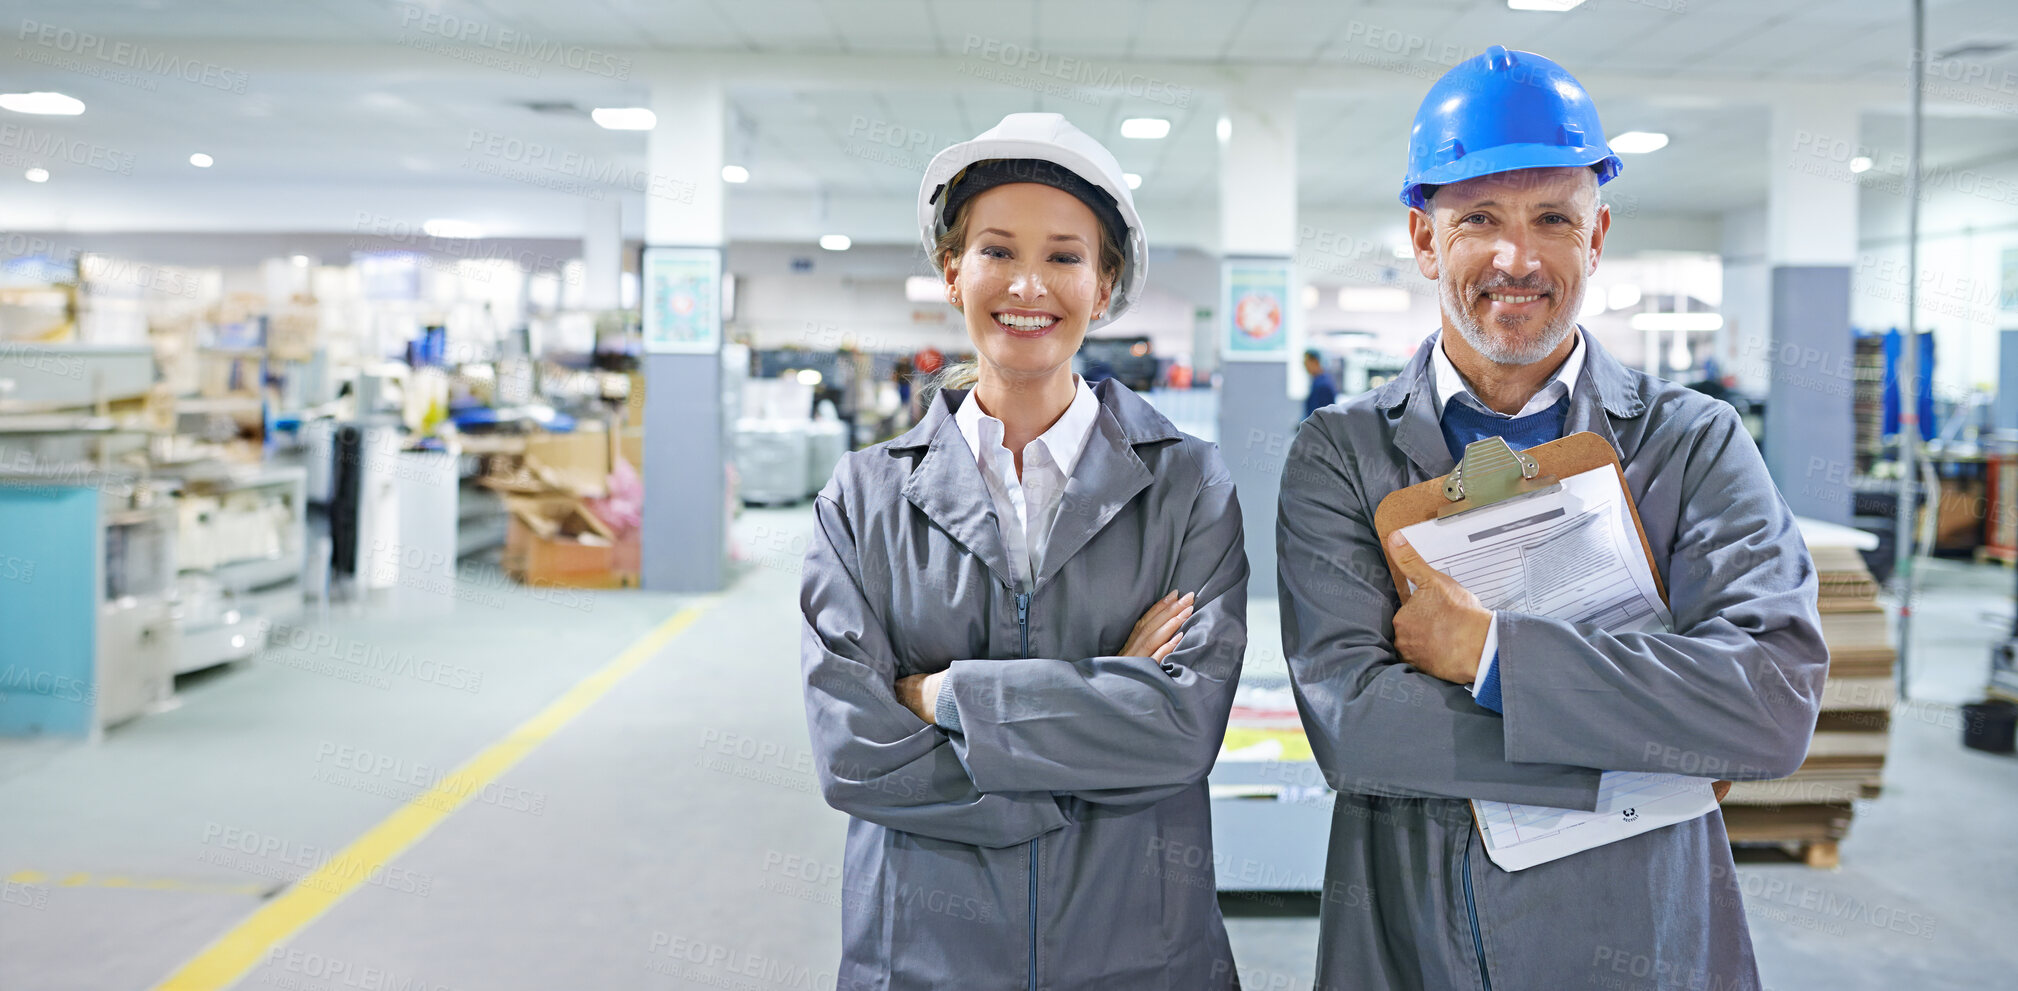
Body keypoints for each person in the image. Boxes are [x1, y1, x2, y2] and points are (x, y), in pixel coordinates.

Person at [1275, 47, 1827, 990]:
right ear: (1423, 238)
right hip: (1417, 932)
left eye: (1552, 219)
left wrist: (1494, 657)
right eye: (1478, 218)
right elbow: (1359, 729)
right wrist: (1663, 752)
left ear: (1597, 234)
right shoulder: (1342, 453)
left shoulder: (1693, 443)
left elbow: (1771, 702)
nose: (1516, 257)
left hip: (1646, 927)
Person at [800, 112, 1249, 990]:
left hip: (1138, 951)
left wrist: (942, 694)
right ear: (952, 270)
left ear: (1106, 280)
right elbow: (855, 752)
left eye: (1067, 256)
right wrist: (1100, 710)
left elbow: (1179, 731)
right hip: (925, 954)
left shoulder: (1191, 486)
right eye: (998, 250)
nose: (1029, 284)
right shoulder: (860, 500)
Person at [1302, 348, 1338, 418]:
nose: (1305, 366)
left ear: (1315, 362)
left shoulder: (1323, 385)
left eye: (1306, 362)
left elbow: (1323, 416)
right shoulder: (1317, 382)